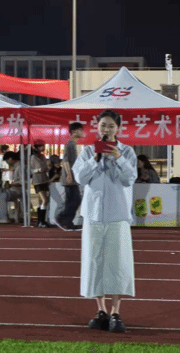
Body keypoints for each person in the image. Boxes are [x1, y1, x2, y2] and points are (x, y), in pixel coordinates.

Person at [72, 109, 138, 333]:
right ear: (97, 127)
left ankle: (116, 311)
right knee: (94, 261)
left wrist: (118, 158)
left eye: (111, 125)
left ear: (118, 128)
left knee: (117, 263)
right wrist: (95, 159)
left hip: (118, 215)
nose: (106, 129)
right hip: (93, 215)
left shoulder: (127, 151)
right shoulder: (88, 151)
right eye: (103, 125)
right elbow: (80, 177)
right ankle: (100, 309)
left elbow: (129, 179)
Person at [55, 122, 85, 231]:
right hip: (70, 177)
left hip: (73, 177)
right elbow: (66, 161)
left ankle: (67, 222)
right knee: (74, 200)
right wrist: (69, 175)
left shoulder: (74, 144)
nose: (82, 132)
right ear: (74, 131)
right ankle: (61, 219)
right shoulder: (70, 144)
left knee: (74, 200)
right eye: (80, 130)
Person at [0, 151, 22, 224]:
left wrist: (11, 185)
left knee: (2, 196)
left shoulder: (20, 167)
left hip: (17, 190)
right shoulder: (16, 167)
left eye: (7, 161)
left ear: (10, 159)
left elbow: (23, 182)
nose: (7, 163)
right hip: (12, 189)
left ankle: (3, 217)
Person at [31, 142, 51, 227]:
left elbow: (46, 166)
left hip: (44, 179)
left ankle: (40, 220)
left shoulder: (43, 156)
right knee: (45, 200)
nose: (43, 147)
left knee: (41, 201)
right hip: (37, 180)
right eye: (41, 146)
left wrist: (47, 168)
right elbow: (30, 170)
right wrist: (38, 170)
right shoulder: (33, 157)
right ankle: (42, 221)